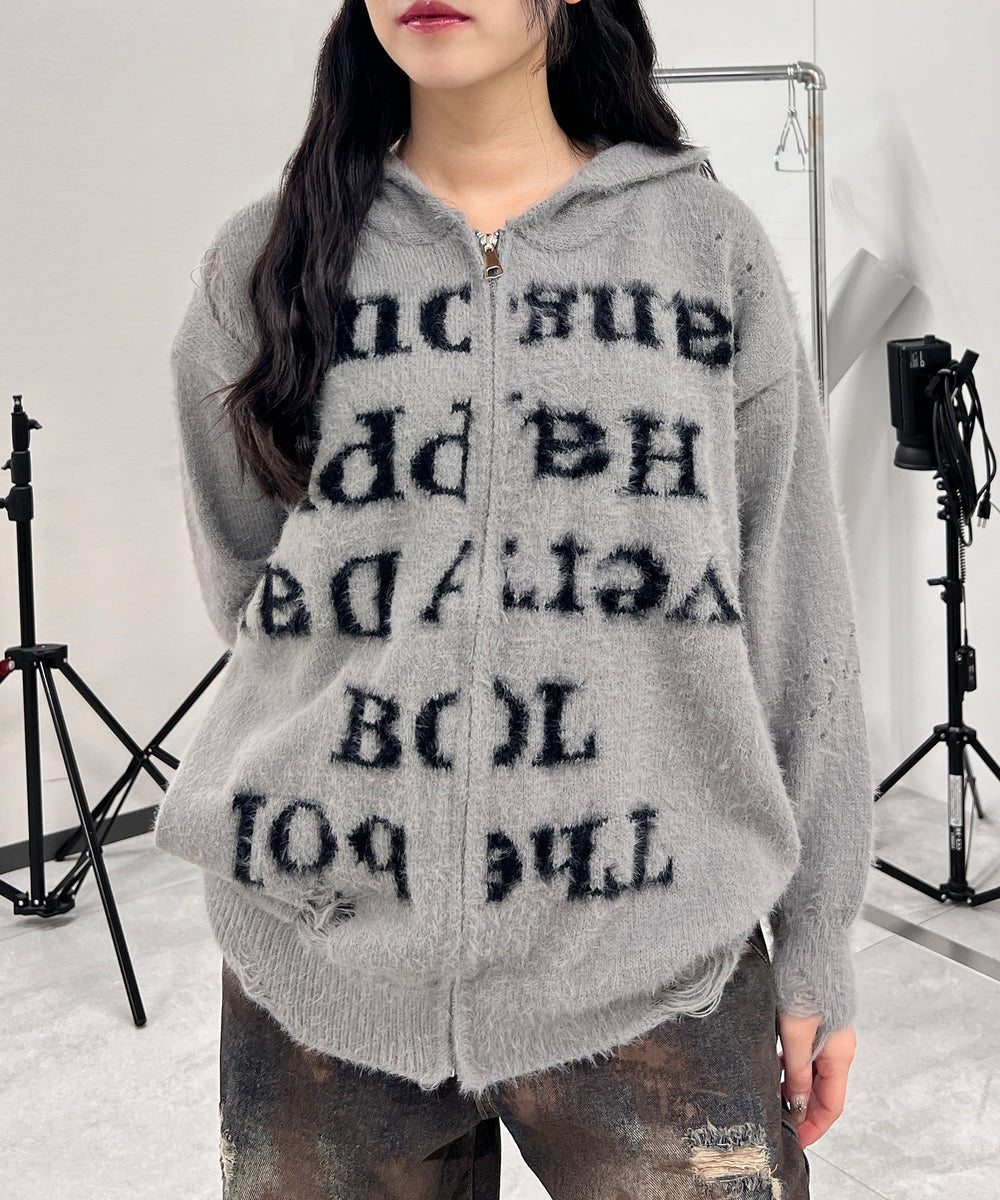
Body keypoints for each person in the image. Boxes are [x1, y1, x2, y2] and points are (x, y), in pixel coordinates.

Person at [154, 0, 876, 1196]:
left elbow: (795, 611)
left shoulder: (705, 249)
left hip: (652, 955)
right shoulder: (262, 258)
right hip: (321, 954)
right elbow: (251, 587)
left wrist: (817, 937)